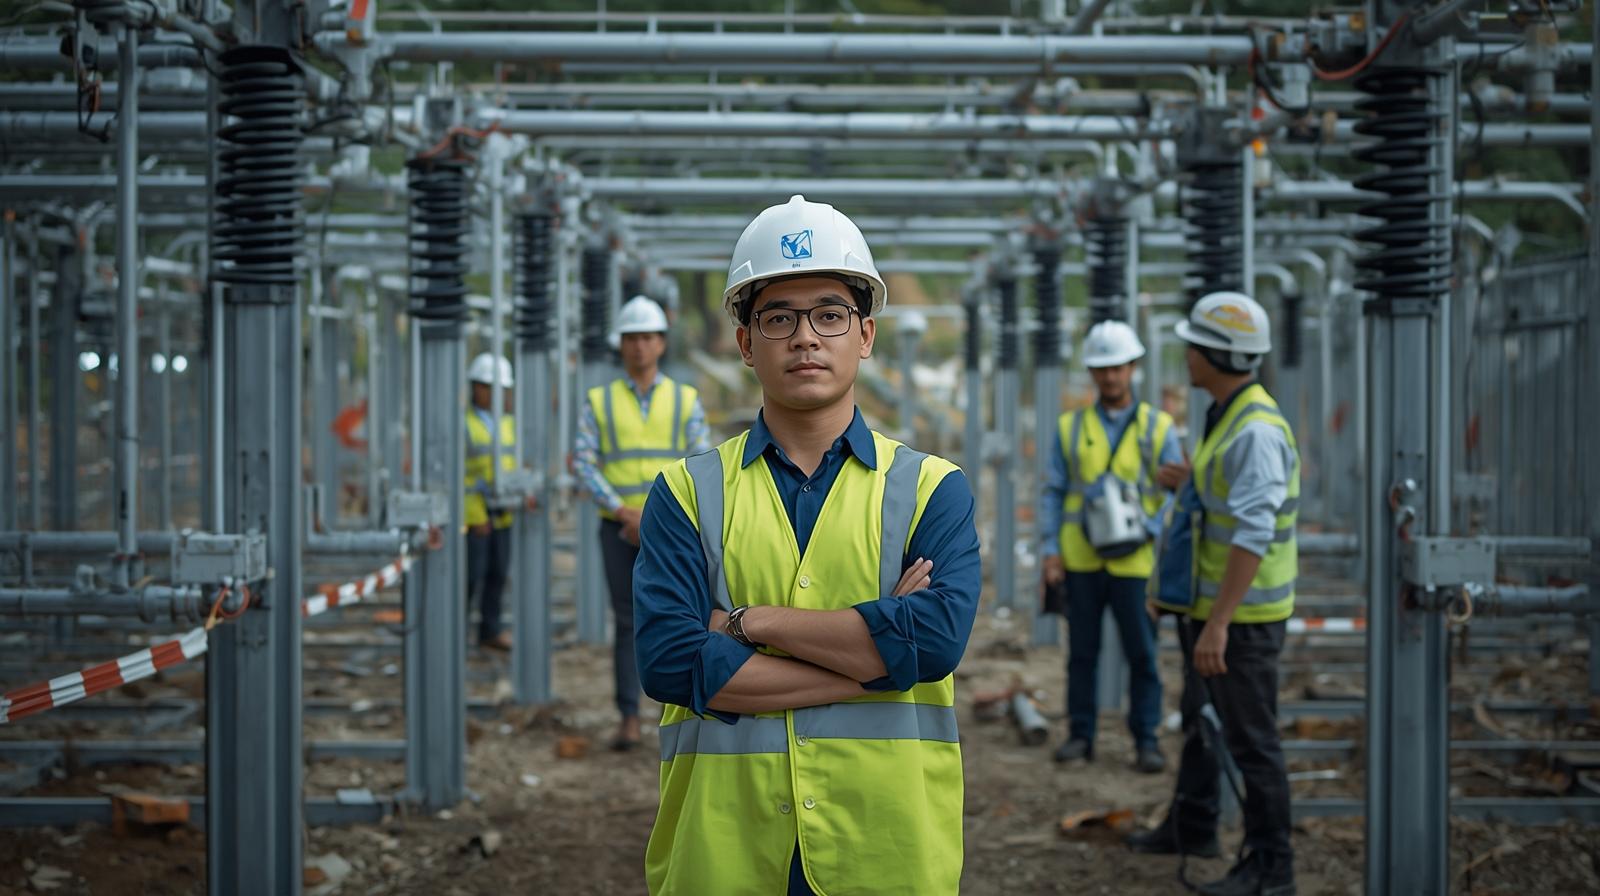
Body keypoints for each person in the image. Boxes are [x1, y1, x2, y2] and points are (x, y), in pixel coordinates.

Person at [633, 195, 981, 895]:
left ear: (866, 335)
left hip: (880, 852)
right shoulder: (686, 493)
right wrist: (877, 660)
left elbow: (934, 643)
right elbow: (669, 659)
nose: (805, 338)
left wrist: (743, 623)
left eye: (829, 314)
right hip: (726, 853)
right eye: (779, 318)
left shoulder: (931, 490)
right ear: (744, 343)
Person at [1126, 291, 1300, 896]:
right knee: (1202, 724)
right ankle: (1193, 824)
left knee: (1254, 744)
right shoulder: (1227, 414)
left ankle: (1272, 870)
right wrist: (1191, 480)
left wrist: (1220, 624)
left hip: (1242, 622)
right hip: (1212, 612)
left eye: (1194, 347)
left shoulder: (1254, 430)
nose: (1186, 356)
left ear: (1217, 356)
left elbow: (1252, 531)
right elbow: (1225, 503)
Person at [1039, 319, 1180, 773]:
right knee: (1082, 653)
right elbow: (1054, 491)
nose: (1110, 377)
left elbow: (1177, 492)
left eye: (1117, 368)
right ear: (1092, 373)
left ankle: (1146, 739)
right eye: (1101, 369)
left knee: (1143, 654)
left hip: (1135, 562)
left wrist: (1152, 527)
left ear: (1133, 368)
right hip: (1081, 558)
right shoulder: (1070, 427)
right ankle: (1082, 735)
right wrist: (1050, 549)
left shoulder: (1159, 428)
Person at [573, 294, 710, 751]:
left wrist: (651, 517)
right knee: (627, 621)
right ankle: (629, 716)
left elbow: (700, 464)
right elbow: (584, 464)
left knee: (686, 615)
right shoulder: (599, 401)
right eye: (631, 338)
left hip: (668, 529)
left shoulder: (685, 401)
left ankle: (684, 708)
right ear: (621, 344)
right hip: (618, 527)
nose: (639, 346)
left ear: (661, 343)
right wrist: (621, 511)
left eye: (647, 337)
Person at [464, 352, 517, 651]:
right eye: (486, 386)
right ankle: (456, 630)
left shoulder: (508, 424)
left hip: (503, 513)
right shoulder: (465, 424)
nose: (493, 393)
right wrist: (474, 515)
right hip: (476, 517)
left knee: (498, 573)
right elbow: (462, 478)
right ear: (476, 387)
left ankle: (489, 631)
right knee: (471, 576)